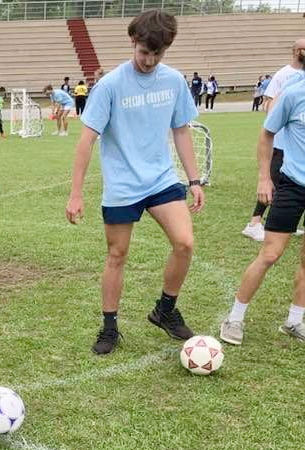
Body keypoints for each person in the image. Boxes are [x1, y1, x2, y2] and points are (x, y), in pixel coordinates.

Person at [65, 9, 205, 355]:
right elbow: (86, 140)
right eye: (144, 52)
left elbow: (181, 130)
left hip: (161, 179)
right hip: (123, 185)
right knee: (117, 254)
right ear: (133, 41)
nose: (150, 60)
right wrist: (76, 193)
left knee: (185, 243)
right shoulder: (110, 85)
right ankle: (109, 327)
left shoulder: (173, 80)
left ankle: (165, 310)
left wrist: (194, 179)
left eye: (158, 53)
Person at [220, 78, 305, 346]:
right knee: (270, 254)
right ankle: (234, 319)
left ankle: (294, 321)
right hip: (292, 185)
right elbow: (267, 133)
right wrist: (264, 178)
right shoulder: (293, 94)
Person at [242, 40, 305, 242]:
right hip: (280, 142)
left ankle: (288, 224)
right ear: (297, 51)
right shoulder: (286, 75)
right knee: (275, 181)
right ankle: (254, 223)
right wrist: (279, 122)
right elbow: (270, 103)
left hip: (293, 144)